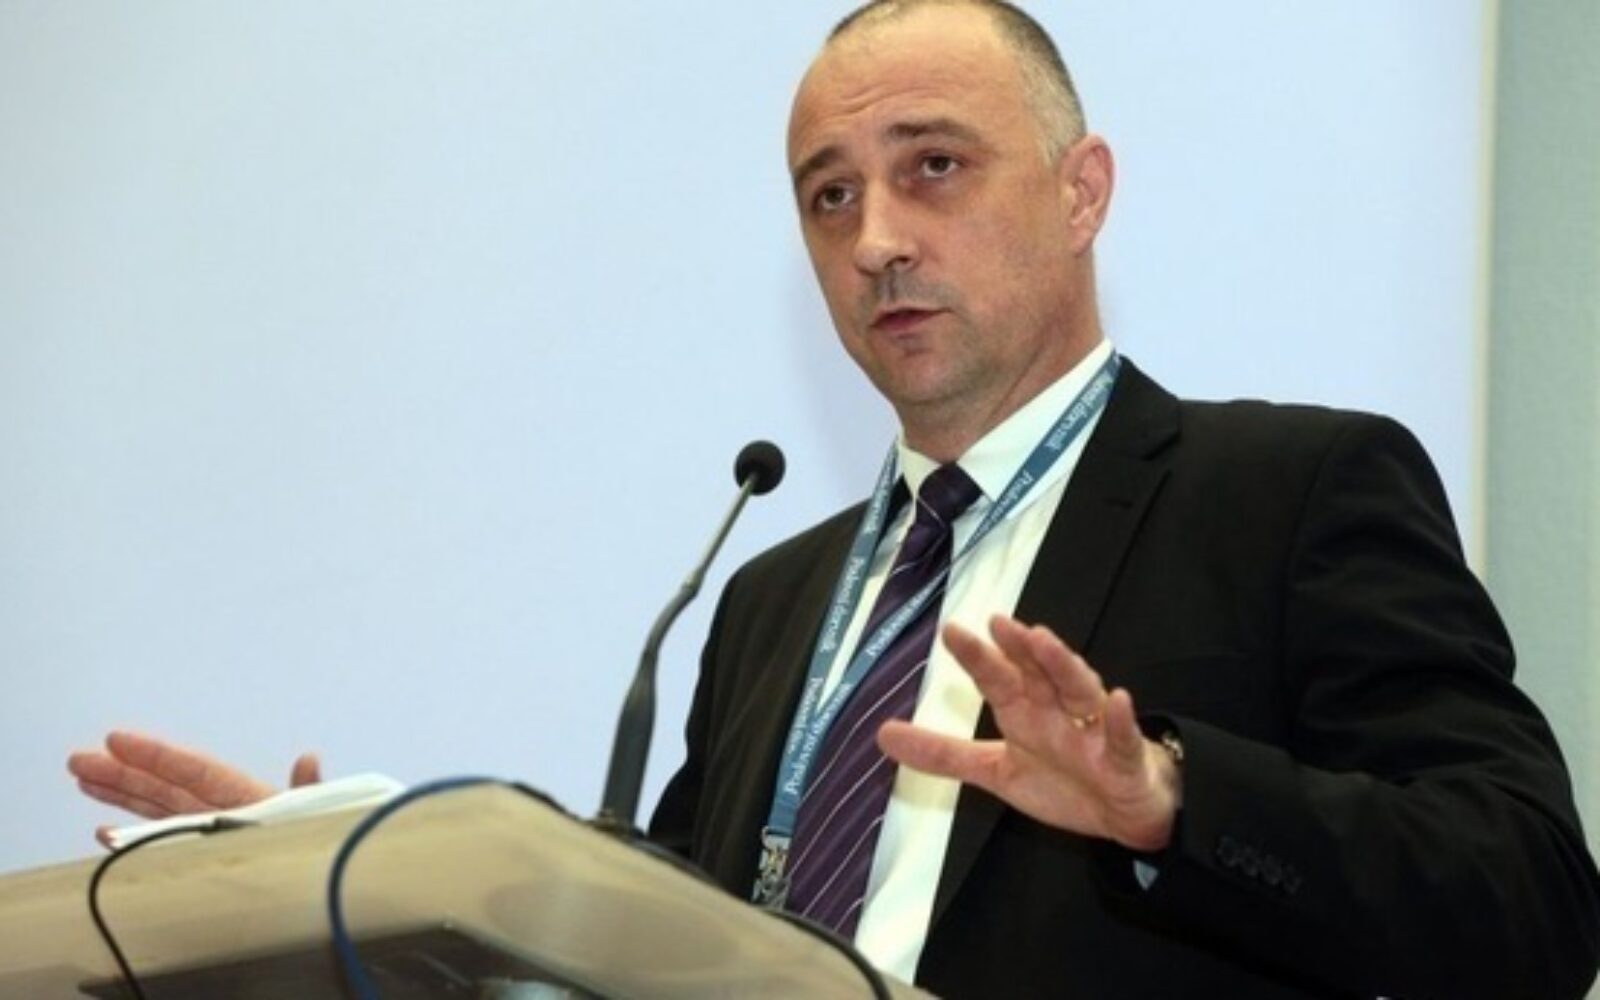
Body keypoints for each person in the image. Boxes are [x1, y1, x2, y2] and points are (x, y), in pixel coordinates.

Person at [70, 2, 1600, 997]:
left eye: (933, 167)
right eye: (829, 194)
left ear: (1081, 192)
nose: (874, 240)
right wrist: (338, 883)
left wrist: (1170, 802)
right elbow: (660, 948)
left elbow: (1530, 901)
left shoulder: (1288, 492)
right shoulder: (772, 598)